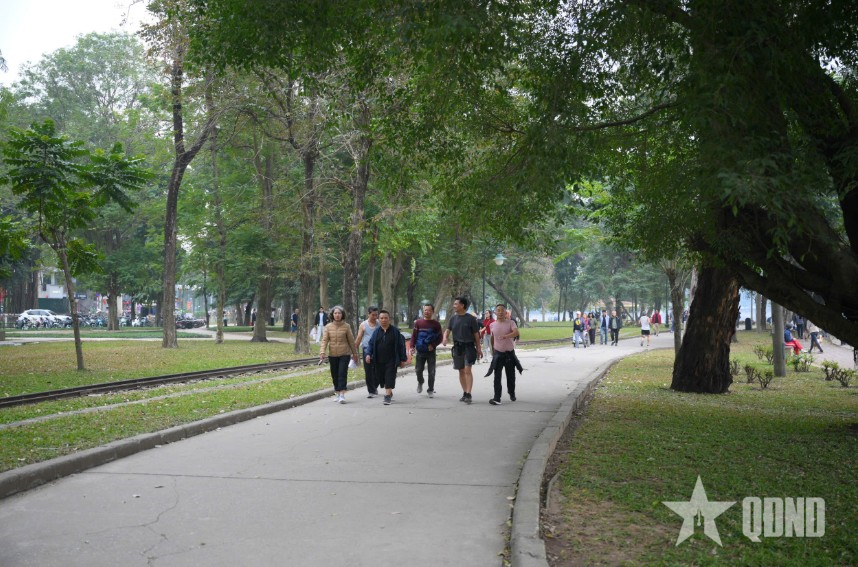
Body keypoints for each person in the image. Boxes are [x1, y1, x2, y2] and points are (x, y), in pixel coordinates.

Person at [442, 296, 483, 404]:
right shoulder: (453, 318)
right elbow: (447, 330)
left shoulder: (470, 319)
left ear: (462, 305)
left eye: (456, 304)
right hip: (457, 348)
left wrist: (479, 348)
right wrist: (445, 338)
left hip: (469, 347)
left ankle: (469, 393)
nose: (454, 306)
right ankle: (465, 392)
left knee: (467, 370)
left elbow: (476, 335)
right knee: (461, 371)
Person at [365, 310, 408, 405]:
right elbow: (371, 344)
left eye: (385, 318)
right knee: (382, 378)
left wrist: (403, 359)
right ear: (379, 319)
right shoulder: (376, 332)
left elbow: (401, 346)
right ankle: (389, 391)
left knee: (389, 376)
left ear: (389, 319)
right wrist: (368, 354)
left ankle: (387, 396)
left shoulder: (395, 331)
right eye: (381, 318)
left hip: (391, 360)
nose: (384, 320)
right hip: (379, 360)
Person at [319, 306, 359, 404]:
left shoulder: (346, 326)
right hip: (332, 354)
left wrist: (355, 353)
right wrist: (322, 352)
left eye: (339, 313)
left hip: (344, 354)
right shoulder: (328, 327)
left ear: (342, 315)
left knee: (342, 373)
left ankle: (342, 394)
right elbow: (324, 340)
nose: (337, 315)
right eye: (335, 313)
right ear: (332, 315)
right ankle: (337, 392)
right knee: (335, 374)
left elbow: (351, 341)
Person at [488, 303, 520, 404]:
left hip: (509, 354)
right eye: (498, 310)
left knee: (510, 376)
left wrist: (506, 336)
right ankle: (497, 397)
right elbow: (492, 337)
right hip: (498, 353)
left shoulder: (511, 323)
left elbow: (516, 333)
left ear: (505, 312)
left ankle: (511, 393)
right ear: (495, 312)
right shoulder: (492, 325)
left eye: (502, 310)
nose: (500, 312)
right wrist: (493, 351)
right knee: (497, 376)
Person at [410, 303, 443, 397]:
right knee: (418, 370)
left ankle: (430, 389)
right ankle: (420, 381)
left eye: (429, 310)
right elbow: (414, 336)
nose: (426, 312)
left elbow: (440, 337)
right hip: (420, 351)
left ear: (432, 311)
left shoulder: (436, 324)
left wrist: (433, 345)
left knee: (431, 372)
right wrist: (412, 347)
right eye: (425, 310)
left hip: (431, 352)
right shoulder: (418, 323)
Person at [354, 306, 381, 397]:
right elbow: (359, 338)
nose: (375, 317)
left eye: (376, 315)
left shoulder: (380, 323)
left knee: (378, 370)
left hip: (378, 350)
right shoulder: (363, 325)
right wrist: (354, 351)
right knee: (368, 371)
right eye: (373, 315)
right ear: (368, 314)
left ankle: (375, 386)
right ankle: (371, 391)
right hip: (367, 349)